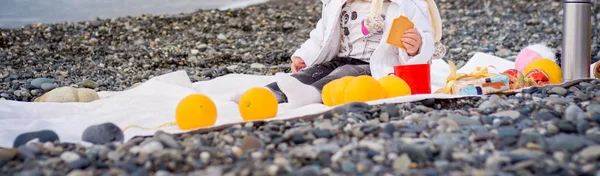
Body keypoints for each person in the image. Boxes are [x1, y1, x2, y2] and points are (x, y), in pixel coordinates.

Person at [232, 0, 443, 108]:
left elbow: (426, 37)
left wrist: (415, 47)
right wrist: (304, 56)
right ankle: (267, 94)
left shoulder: (404, 6)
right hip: (339, 57)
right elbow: (322, 36)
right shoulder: (338, 4)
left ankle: (313, 94)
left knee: (344, 73)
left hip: (375, 66)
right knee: (313, 71)